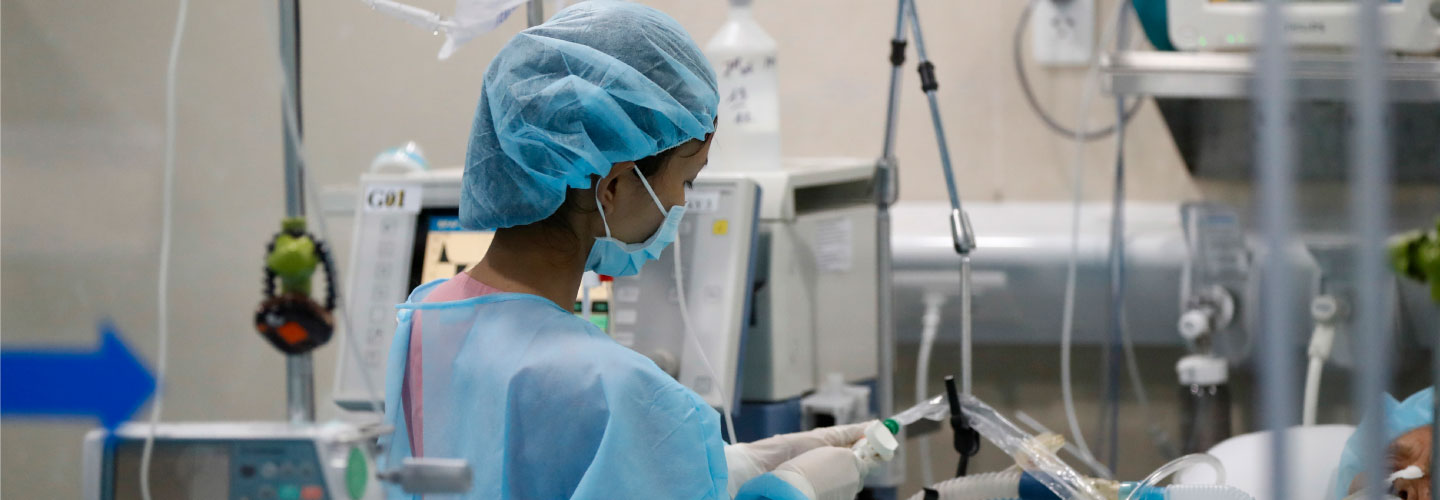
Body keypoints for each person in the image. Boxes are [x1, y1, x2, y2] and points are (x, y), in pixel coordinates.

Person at [379, 3, 874, 499]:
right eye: (686, 178)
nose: (681, 202)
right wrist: (792, 490)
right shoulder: (628, 396)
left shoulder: (424, 320)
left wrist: (720, 468)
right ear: (612, 187)